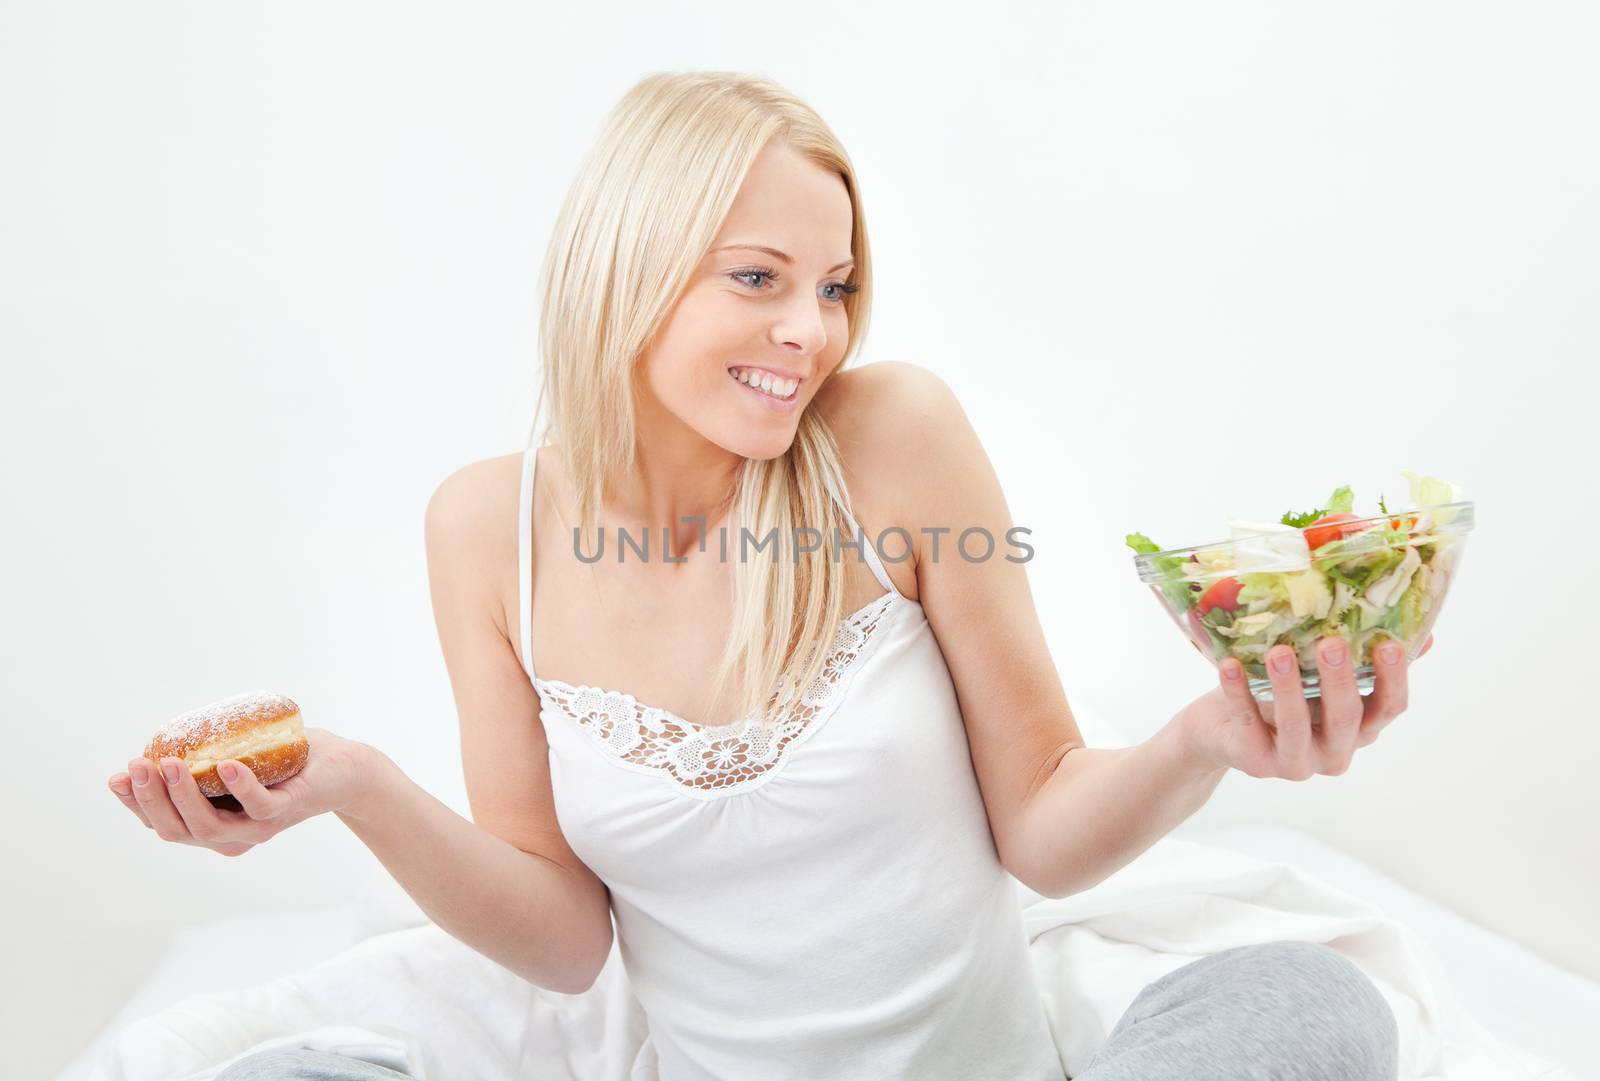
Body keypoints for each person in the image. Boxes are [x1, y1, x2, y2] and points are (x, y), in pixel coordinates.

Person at [108, 70, 1421, 1081]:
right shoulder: (484, 529)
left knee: (1306, 1006)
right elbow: (565, 942)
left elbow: (1046, 830)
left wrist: (1208, 736)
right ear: (627, 270)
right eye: (759, 278)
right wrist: (351, 782)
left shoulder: (888, 438)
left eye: (835, 284)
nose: (811, 331)